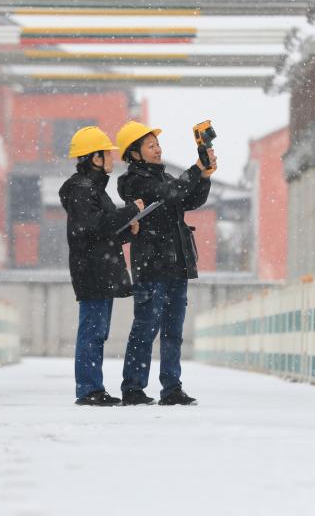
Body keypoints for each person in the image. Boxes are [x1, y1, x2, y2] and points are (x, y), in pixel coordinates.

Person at [114, 120, 216, 406]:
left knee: (173, 332)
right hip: (152, 266)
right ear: (134, 153)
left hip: (177, 264)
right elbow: (171, 193)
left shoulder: (164, 177)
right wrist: (196, 169)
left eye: (157, 144)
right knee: (145, 329)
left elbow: (189, 200)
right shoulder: (134, 182)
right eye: (151, 146)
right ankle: (133, 388)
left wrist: (204, 176)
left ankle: (172, 388)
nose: (158, 149)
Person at [58, 126, 144, 406]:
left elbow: (101, 232)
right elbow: (95, 227)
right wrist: (132, 210)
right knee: (92, 332)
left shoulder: (93, 189)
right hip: (92, 270)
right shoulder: (82, 190)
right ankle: (88, 390)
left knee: (97, 331)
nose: (111, 158)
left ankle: (93, 387)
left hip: (100, 269)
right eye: (107, 153)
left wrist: (128, 231)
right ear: (95, 158)